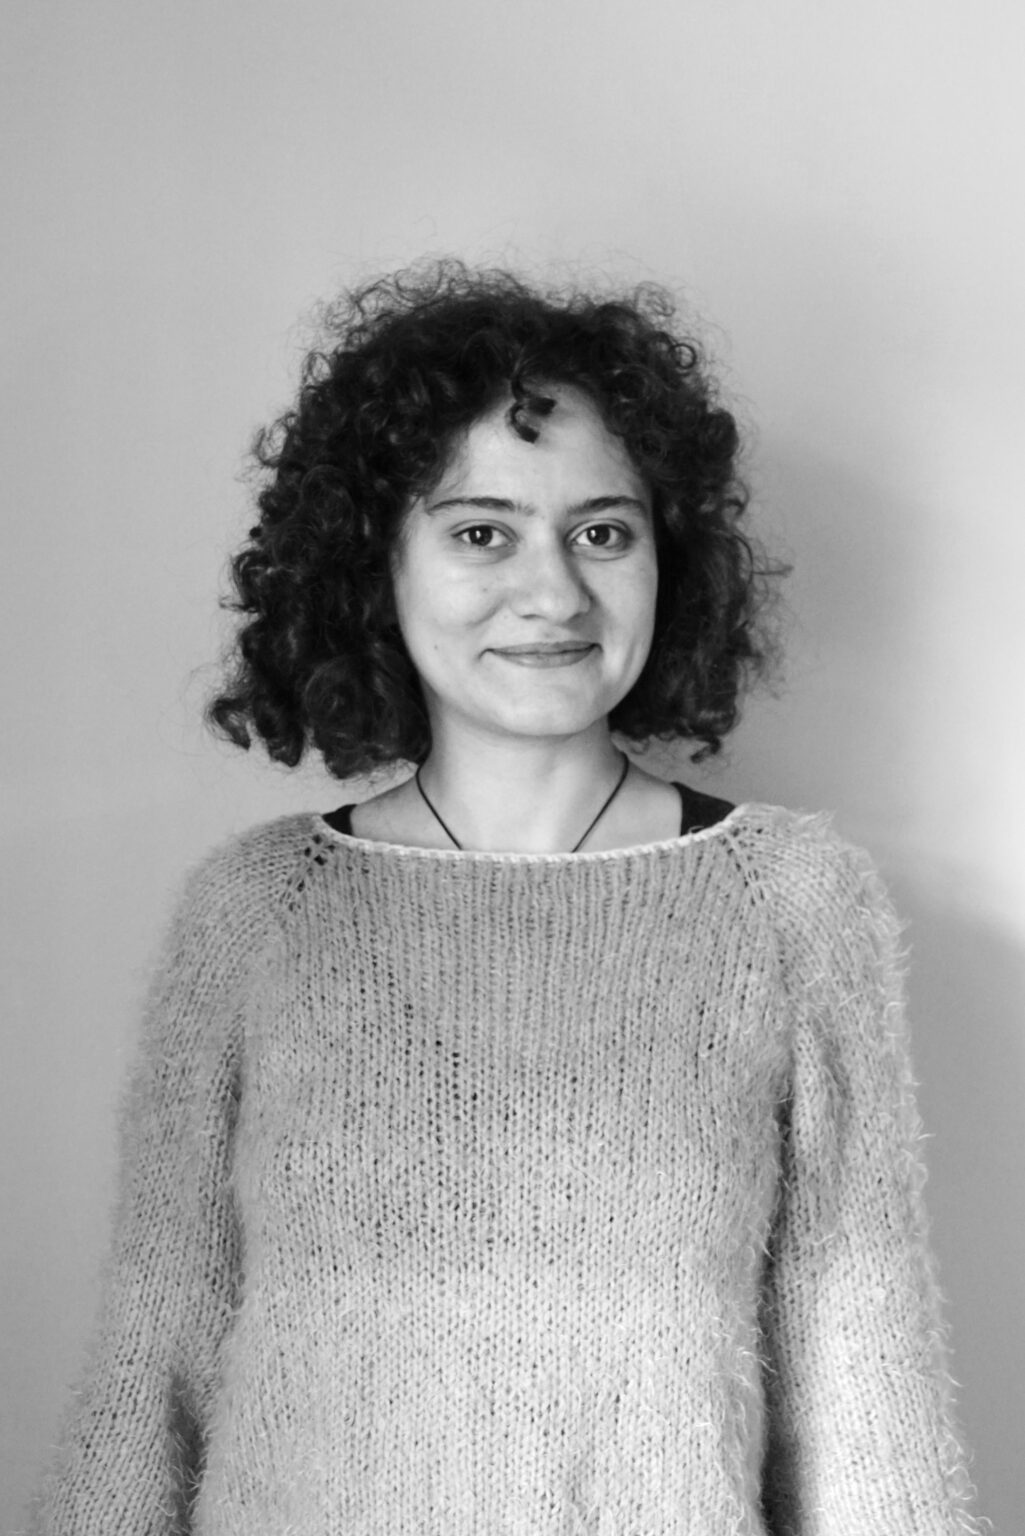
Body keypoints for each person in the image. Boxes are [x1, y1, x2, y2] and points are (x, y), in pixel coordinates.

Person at [29, 263, 984, 1534]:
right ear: (375, 564)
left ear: (667, 558)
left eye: (603, 532)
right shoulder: (257, 912)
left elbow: (859, 1375)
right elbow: (156, 1363)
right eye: (482, 532)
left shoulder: (790, 903)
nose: (554, 592)